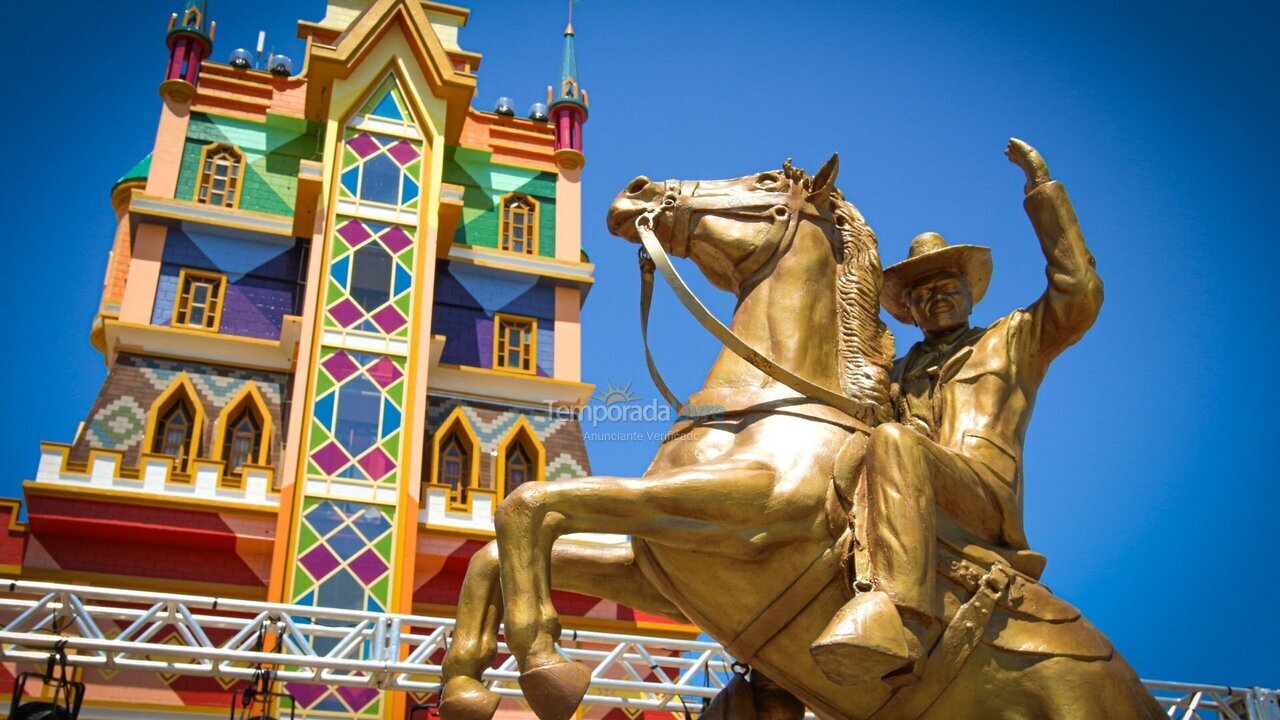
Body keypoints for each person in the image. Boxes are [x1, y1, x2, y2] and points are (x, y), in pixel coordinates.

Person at [809, 139, 1104, 687]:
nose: (935, 298)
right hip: (914, 488)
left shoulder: (1012, 339)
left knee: (893, 442)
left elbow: (1078, 291)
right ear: (911, 312)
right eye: (921, 295)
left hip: (982, 495)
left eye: (947, 286)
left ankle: (904, 618)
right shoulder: (898, 373)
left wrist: (1042, 192)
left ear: (971, 294)